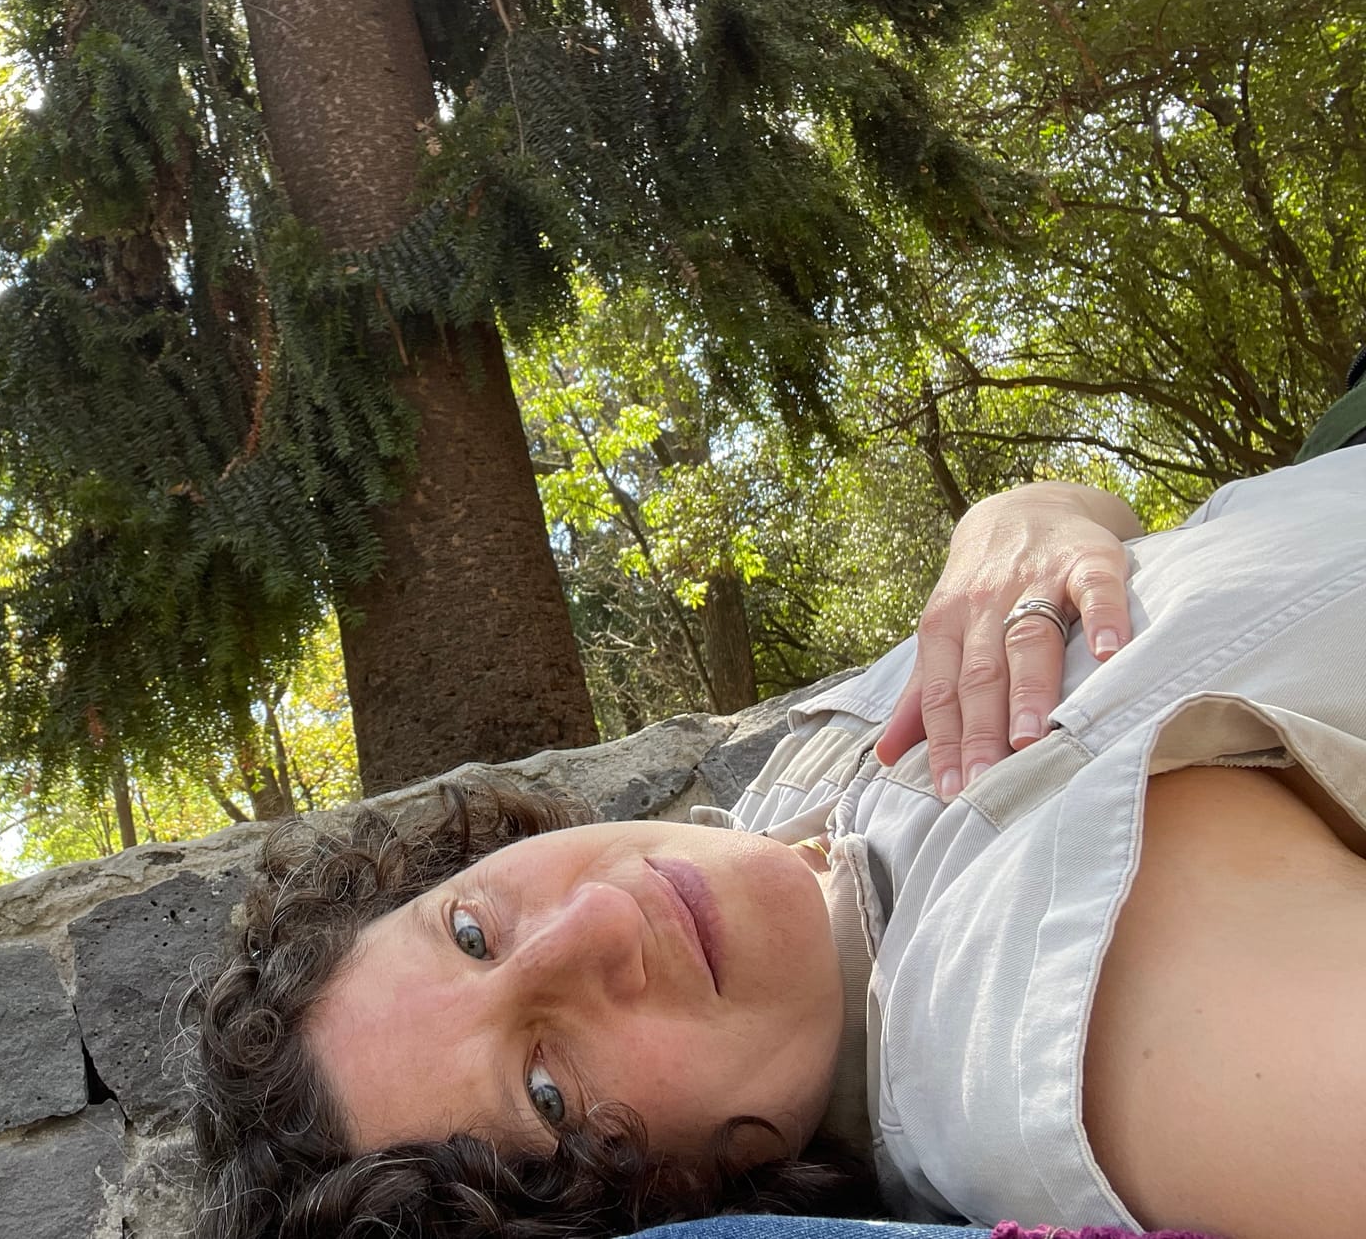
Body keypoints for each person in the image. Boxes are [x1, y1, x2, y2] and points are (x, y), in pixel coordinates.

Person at [186, 380, 1366, 1239]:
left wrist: (1015, 523)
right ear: (666, 1206)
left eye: (471, 931)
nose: (594, 923)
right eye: (546, 1091)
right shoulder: (1014, 1025)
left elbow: (1115, 533)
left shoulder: (780, 813)